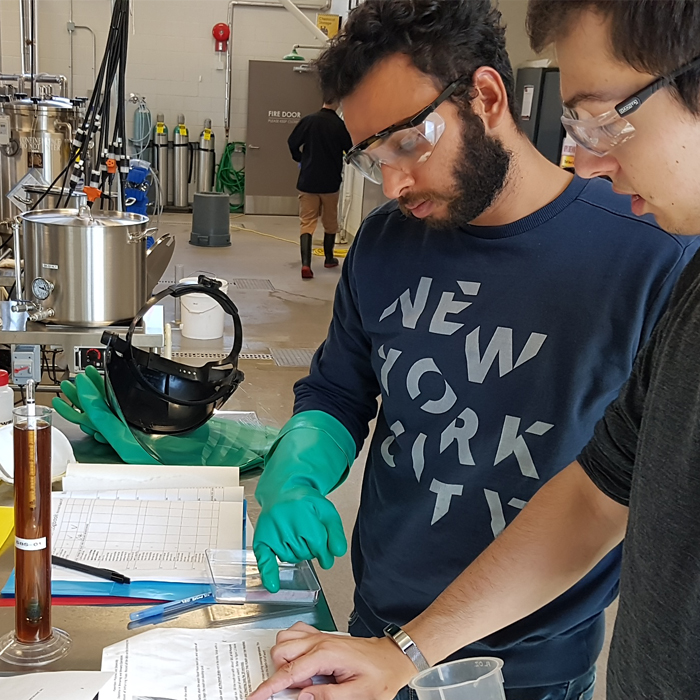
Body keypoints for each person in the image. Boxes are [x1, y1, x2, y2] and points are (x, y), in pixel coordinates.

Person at [247, 2, 700, 700]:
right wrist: (294, 476)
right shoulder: (385, 243)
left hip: (534, 663)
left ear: (486, 97)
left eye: (408, 145)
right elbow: (339, 391)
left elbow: (606, 492)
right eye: (372, 159)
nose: (393, 183)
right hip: (383, 626)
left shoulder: (652, 254)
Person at [287, 100, 352, 279]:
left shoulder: (309, 121)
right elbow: (350, 150)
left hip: (308, 181)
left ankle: (306, 264)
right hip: (330, 183)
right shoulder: (339, 125)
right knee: (330, 222)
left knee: (307, 223)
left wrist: (301, 158)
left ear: (324, 101)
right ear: (337, 103)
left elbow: (292, 142)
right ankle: (329, 258)